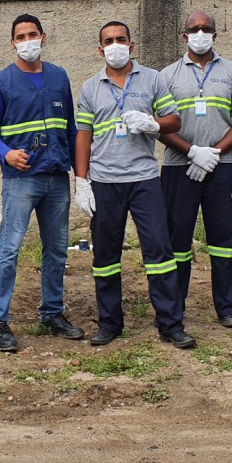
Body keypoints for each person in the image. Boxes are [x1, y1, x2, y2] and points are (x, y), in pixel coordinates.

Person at [74, 21, 194, 348]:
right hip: (104, 181)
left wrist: (152, 122)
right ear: (100, 49)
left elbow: (175, 120)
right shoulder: (89, 87)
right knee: (106, 256)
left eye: (121, 40)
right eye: (108, 41)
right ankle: (110, 323)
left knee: (160, 251)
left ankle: (171, 324)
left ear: (132, 44)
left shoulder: (153, 79)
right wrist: (81, 181)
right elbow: (83, 136)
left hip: (143, 179)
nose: (115, 46)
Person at [0, 13, 82, 352]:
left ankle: (52, 313)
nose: (27, 41)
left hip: (56, 176)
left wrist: (78, 173)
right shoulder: (1, 82)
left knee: (56, 249)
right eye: (21, 36)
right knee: (9, 249)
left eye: (32, 34)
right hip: (21, 179)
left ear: (43, 37)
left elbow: (70, 127)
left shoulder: (58, 77)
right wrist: (7, 154)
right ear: (13, 43)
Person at [159, 11, 232, 328]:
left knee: (225, 241)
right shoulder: (168, 75)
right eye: (194, 29)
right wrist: (193, 152)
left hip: (223, 166)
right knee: (177, 240)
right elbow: (159, 126)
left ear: (215, 34)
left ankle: (229, 308)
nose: (200, 34)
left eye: (206, 29)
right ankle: (174, 306)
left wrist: (214, 153)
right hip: (177, 167)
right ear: (184, 36)